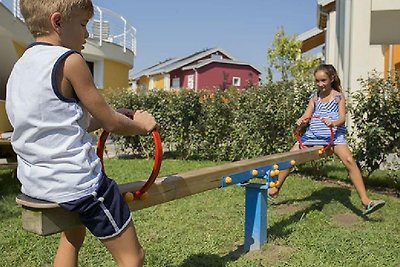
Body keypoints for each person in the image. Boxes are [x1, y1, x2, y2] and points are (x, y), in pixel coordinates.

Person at [6, 0, 156, 266]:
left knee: (73, 237)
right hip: (77, 184)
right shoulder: (71, 61)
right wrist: (142, 125)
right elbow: (113, 125)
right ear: (58, 22)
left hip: (35, 184)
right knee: (133, 258)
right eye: (84, 24)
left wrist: (112, 114)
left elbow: (67, 124)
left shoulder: (22, 65)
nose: (87, 34)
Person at [268, 64, 385, 216]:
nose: (320, 84)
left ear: (332, 78)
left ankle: (366, 201)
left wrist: (333, 123)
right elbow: (306, 114)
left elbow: (342, 118)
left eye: (323, 80)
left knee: (349, 160)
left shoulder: (338, 97)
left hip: (334, 135)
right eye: (317, 81)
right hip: (312, 135)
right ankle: (275, 188)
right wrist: (302, 121)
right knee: (290, 158)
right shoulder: (315, 97)